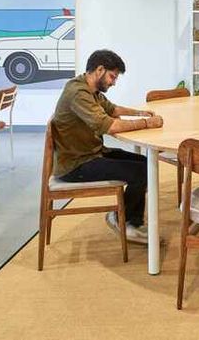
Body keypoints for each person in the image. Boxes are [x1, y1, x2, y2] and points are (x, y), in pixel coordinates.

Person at [51, 49, 163, 244]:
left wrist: (141, 114)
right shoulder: (78, 93)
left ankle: (125, 217)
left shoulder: (88, 89)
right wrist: (147, 123)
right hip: (76, 165)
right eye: (113, 76)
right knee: (141, 172)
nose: (113, 82)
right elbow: (110, 126)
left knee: (145, 164)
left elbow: (113, 110)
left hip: (92, 153)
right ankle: (126, 222)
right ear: (100, 70)